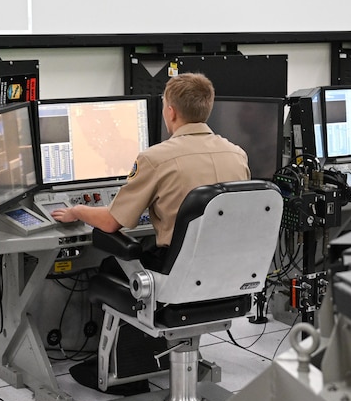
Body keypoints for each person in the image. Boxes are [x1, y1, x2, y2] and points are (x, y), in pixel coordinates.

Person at [51, 73, 249, 263]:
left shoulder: (155, 159)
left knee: (105, 269)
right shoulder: (238, 155)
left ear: (171, 112)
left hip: (178, 275)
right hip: (229, 272)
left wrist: (76, 211)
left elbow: (111, 222)